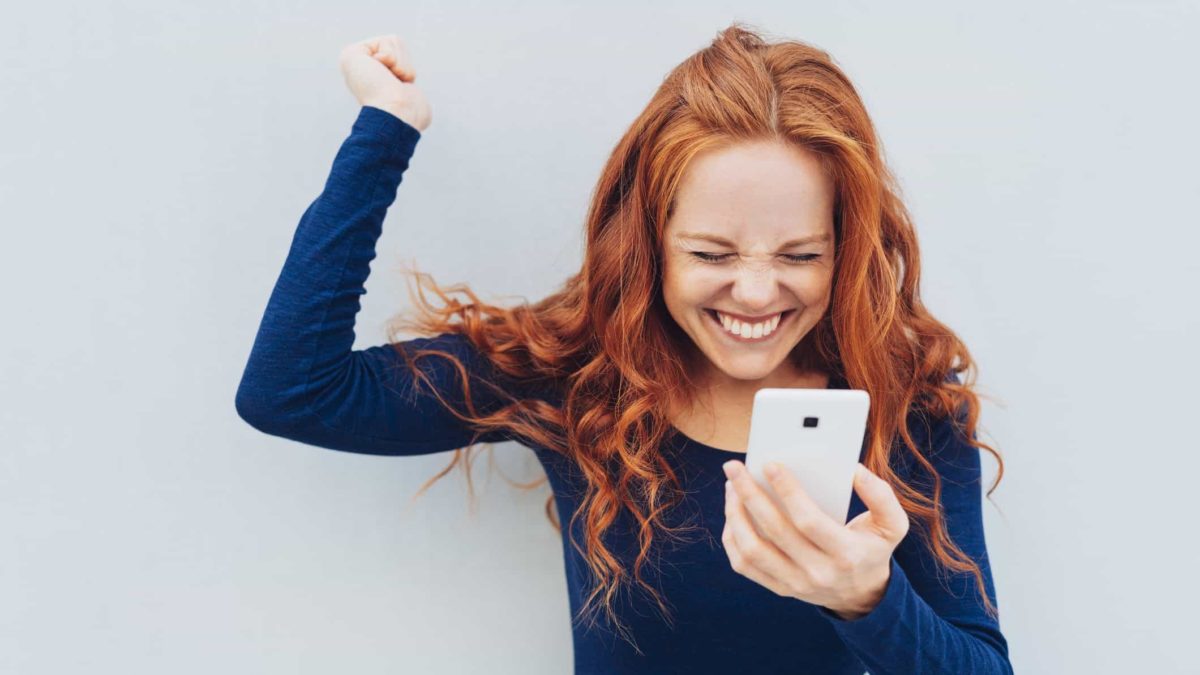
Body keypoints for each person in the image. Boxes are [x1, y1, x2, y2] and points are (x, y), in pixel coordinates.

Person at [235, 23, 1013, 674]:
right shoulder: (577, 380)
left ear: (847, 251)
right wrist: (386, 129)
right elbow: (292, 389)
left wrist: (867, 596)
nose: (755, 292)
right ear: (650, 246)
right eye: (712, 254)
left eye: (800, 255)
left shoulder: (909, 409)